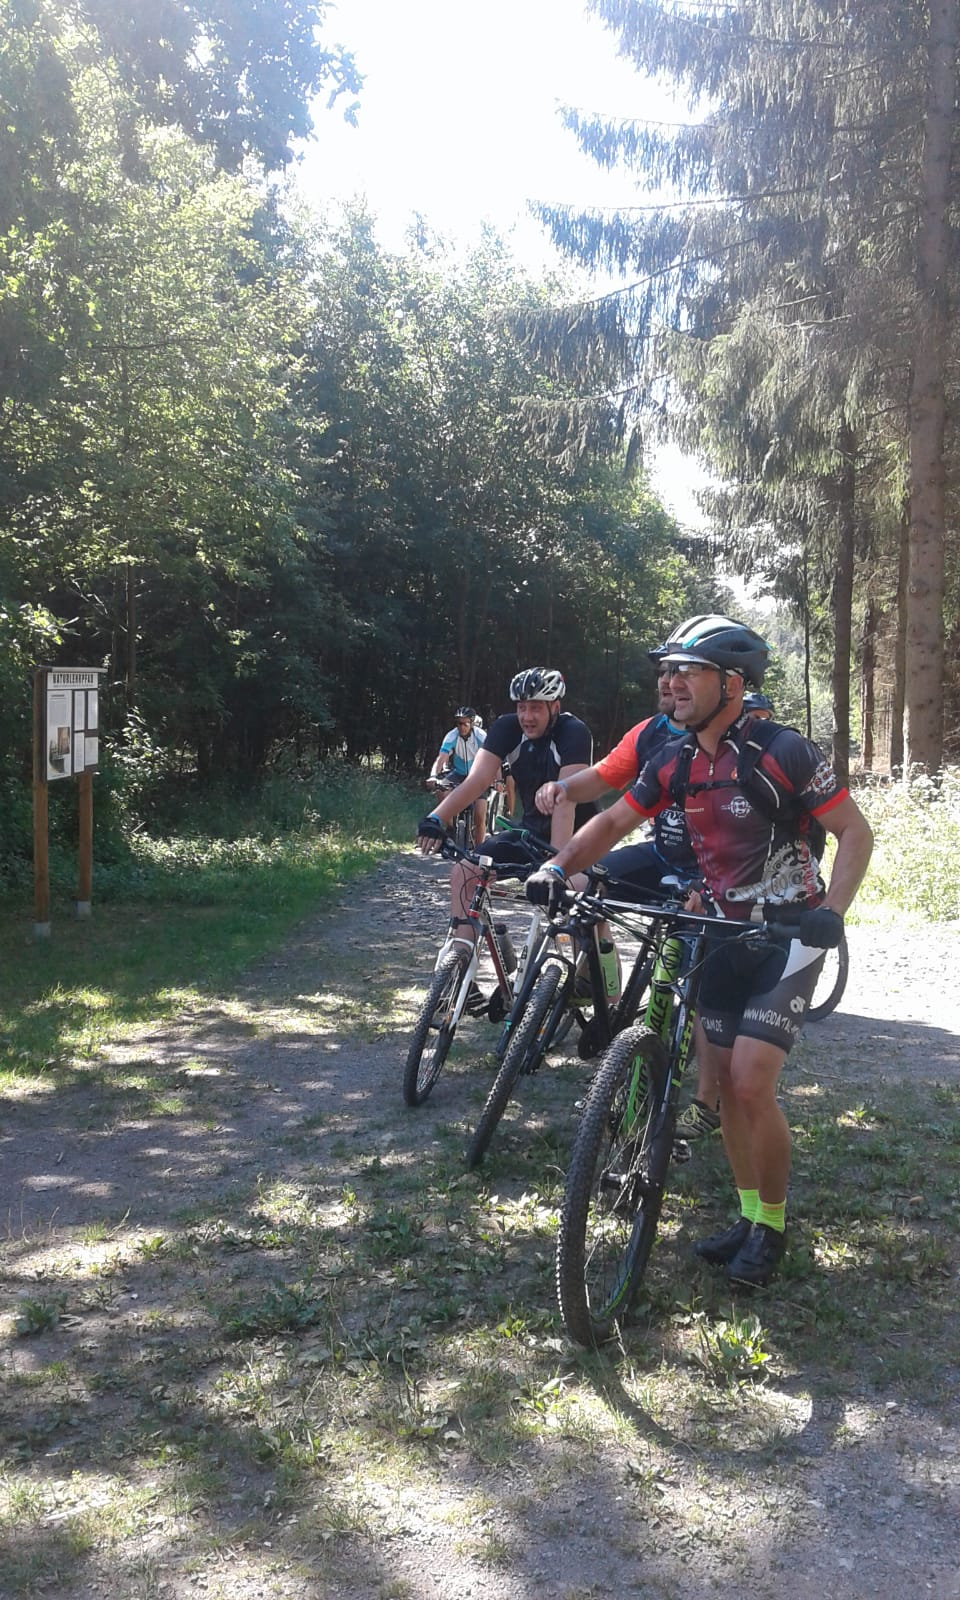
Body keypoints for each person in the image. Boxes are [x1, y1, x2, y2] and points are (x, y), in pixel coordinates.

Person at [525, 615, 874, 1289]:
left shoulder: (785, 751)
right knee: (725, 1085)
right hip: (719, 934)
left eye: (688, 670)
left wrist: (831, 911)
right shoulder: (674, 759)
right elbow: (613, 821)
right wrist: (557, 866)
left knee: (750, 1082)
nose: (672, 682)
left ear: (733, 683)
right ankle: (748, 1215)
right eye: (668, 670)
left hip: (789, 938)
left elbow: (854, 833)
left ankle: (771, 1227)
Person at [417, 668, 602, 976]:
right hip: (531, 833)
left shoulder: (573, 732)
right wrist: (436, 818)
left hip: (578, 838)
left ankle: (591, 985)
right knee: (464, 872)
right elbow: (477, 781)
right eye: (521, 707)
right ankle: (460, 970)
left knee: (582, 902)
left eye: (536, 708)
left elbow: (566, 799)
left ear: (555, 707)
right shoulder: (506, 727)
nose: (527, 716)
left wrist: (556, 865)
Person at [430, 706, 488, 839]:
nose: (461, 727)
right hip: (458, 773)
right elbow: (441, 758)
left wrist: (498, 780)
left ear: (472, 724)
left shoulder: (481, 736)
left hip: (478, 775)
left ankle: (480, 849)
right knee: (441, 789)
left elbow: (492, 757)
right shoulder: (452, 735)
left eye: (464, 724)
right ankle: (450, 826)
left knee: (480, 816)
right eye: (458, 723)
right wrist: (433, 776)